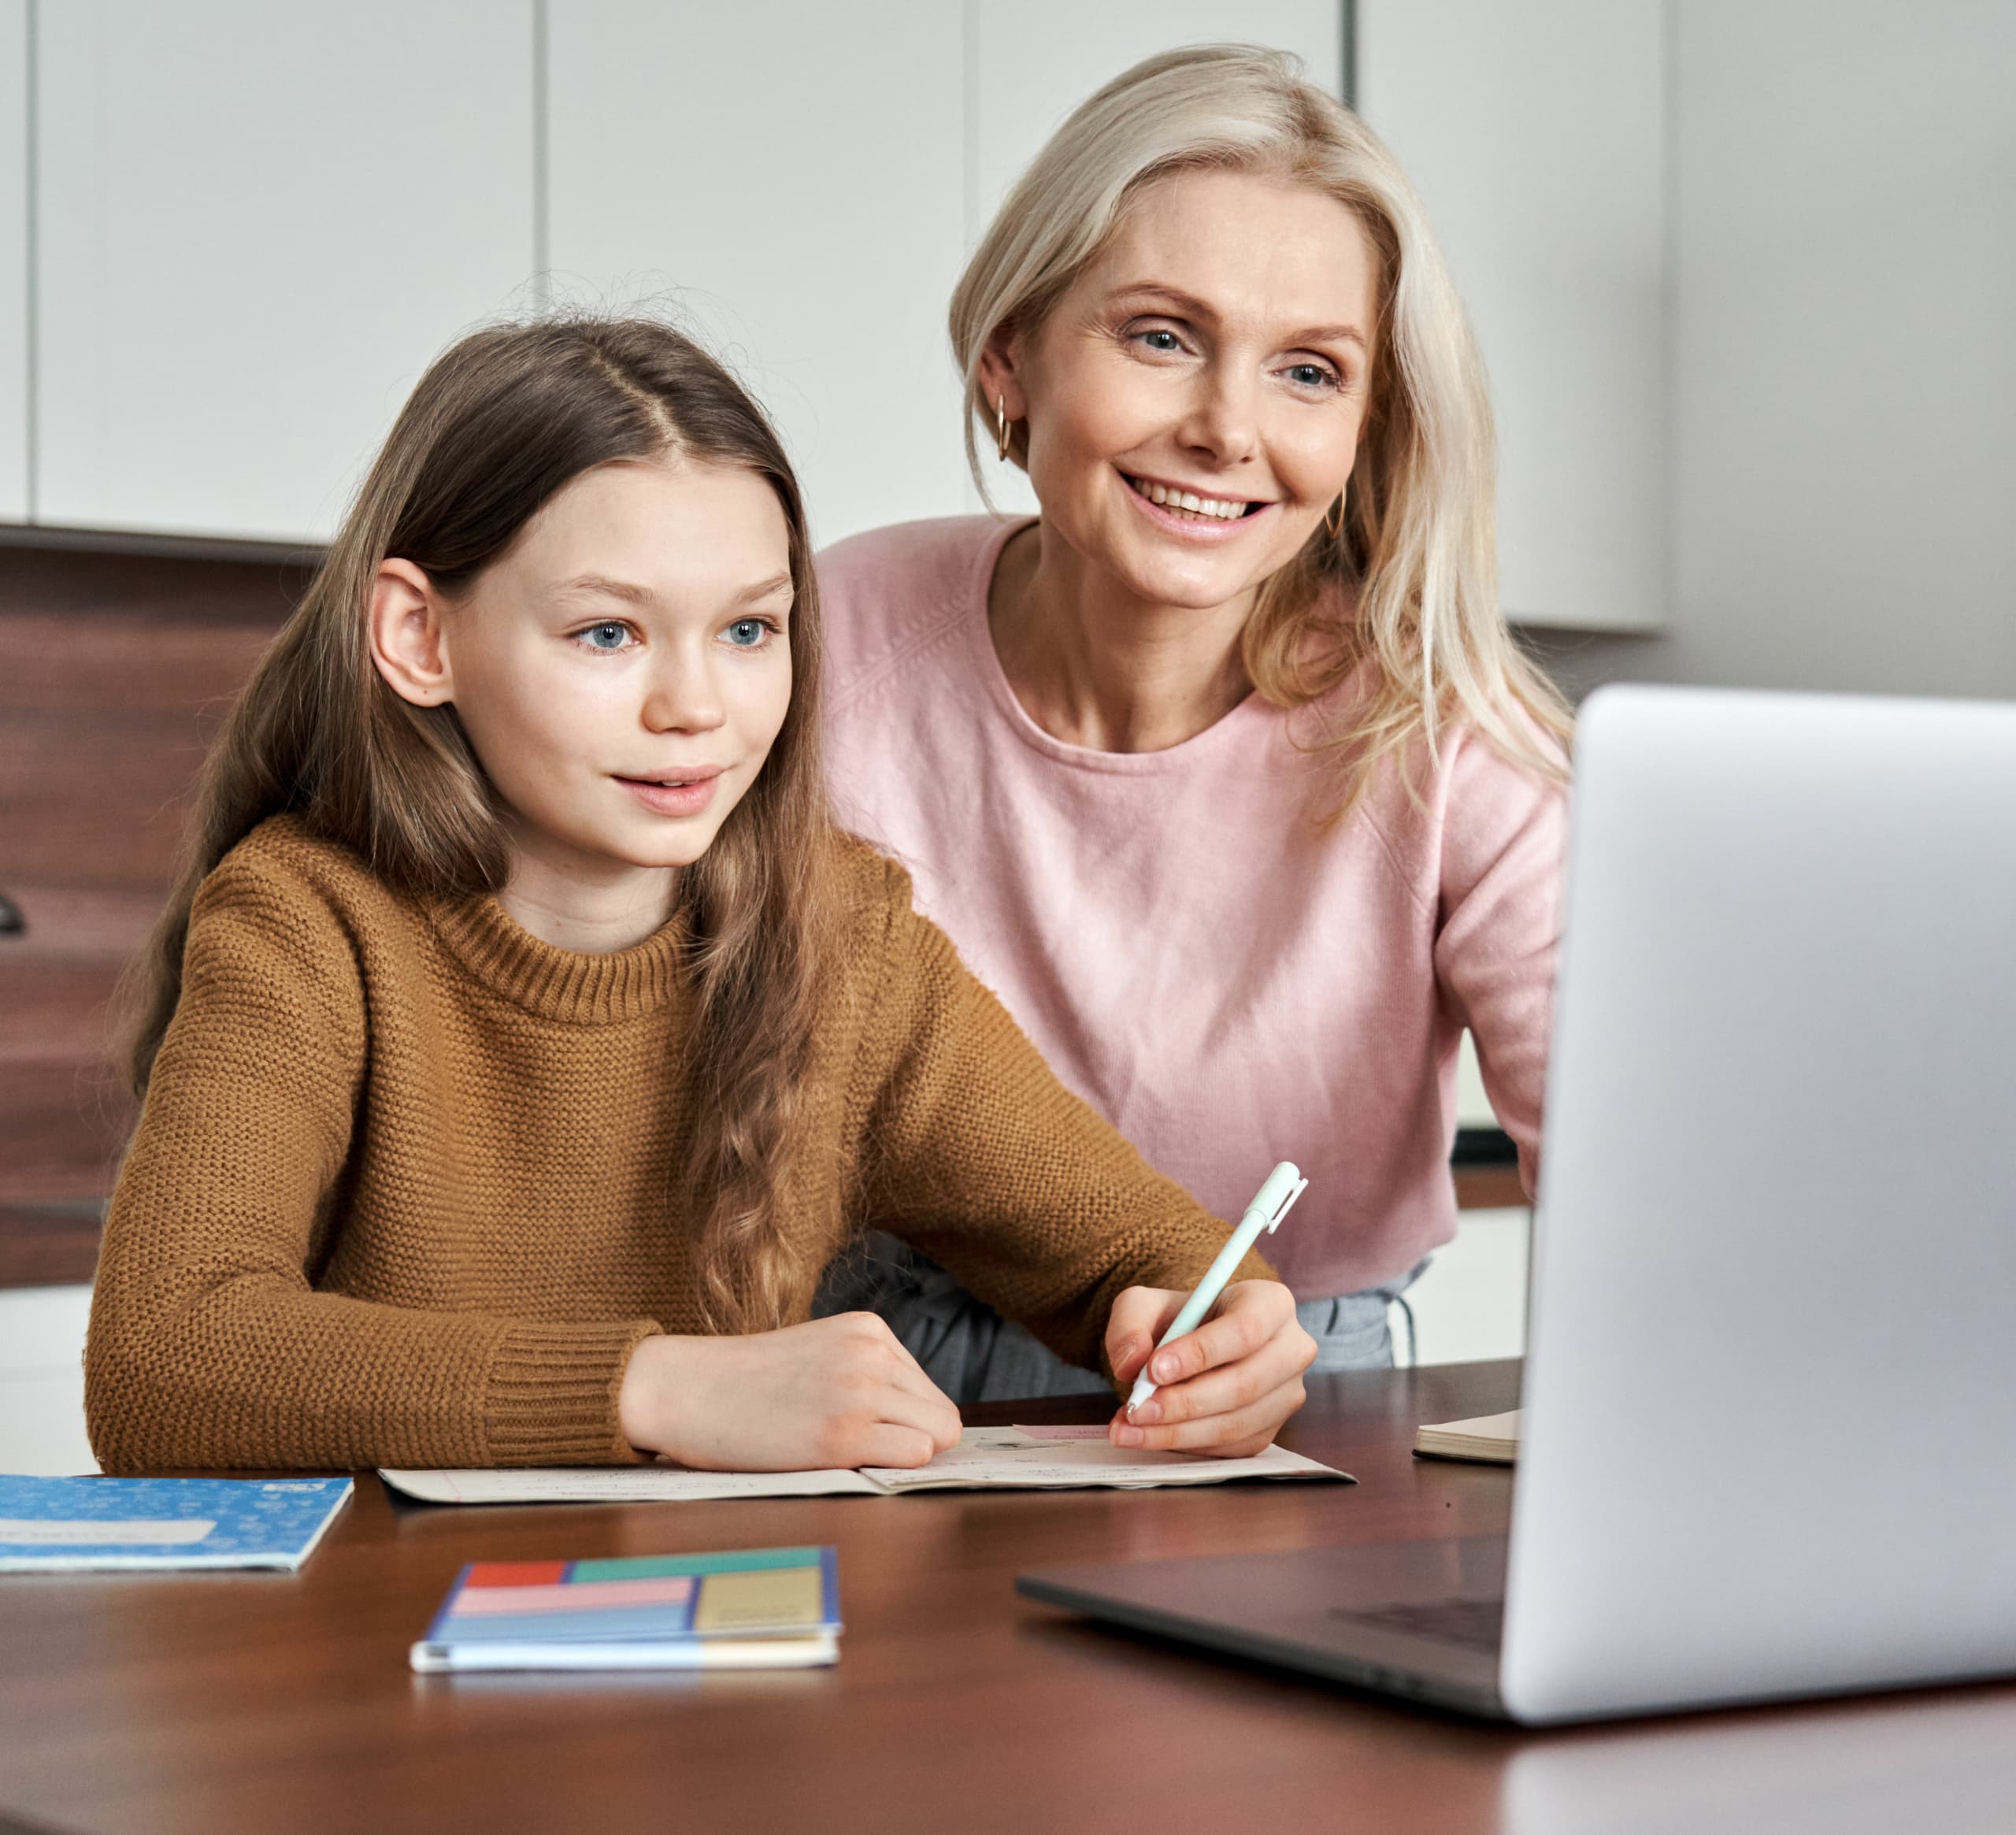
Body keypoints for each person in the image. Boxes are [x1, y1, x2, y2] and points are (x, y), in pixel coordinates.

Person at [84, 316, 1314, 1475]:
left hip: (719, 1638)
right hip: (378, 1650)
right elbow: (164, 1359)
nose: (697, 708)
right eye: (608, 634)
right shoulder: (307, 923)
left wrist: (1232, 1328)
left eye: (748, 631)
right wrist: (662, 1390)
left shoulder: (845, 941)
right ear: (420, 636)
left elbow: (1139, 1249)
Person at [816, 45, 1572, 1399]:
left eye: (1309, 371)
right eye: (1162, 337)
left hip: (1322, 1392)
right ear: (1010, 359)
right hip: (877, 1371)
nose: (1230, 429)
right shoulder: (830, 640)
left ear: (1362, 428)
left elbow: (1620, 1167)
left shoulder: (1451, 736)